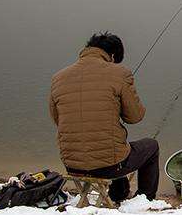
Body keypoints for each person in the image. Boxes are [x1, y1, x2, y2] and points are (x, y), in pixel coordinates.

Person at [49, 31, 158, 202]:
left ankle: (118, 193)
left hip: (72, 165)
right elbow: (135, 117)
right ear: (112, 55)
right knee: (151, 146)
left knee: (112, 145)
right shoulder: (120, 73)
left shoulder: (58, 78)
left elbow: (58, 119)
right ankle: (145, 199)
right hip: (109, 166)